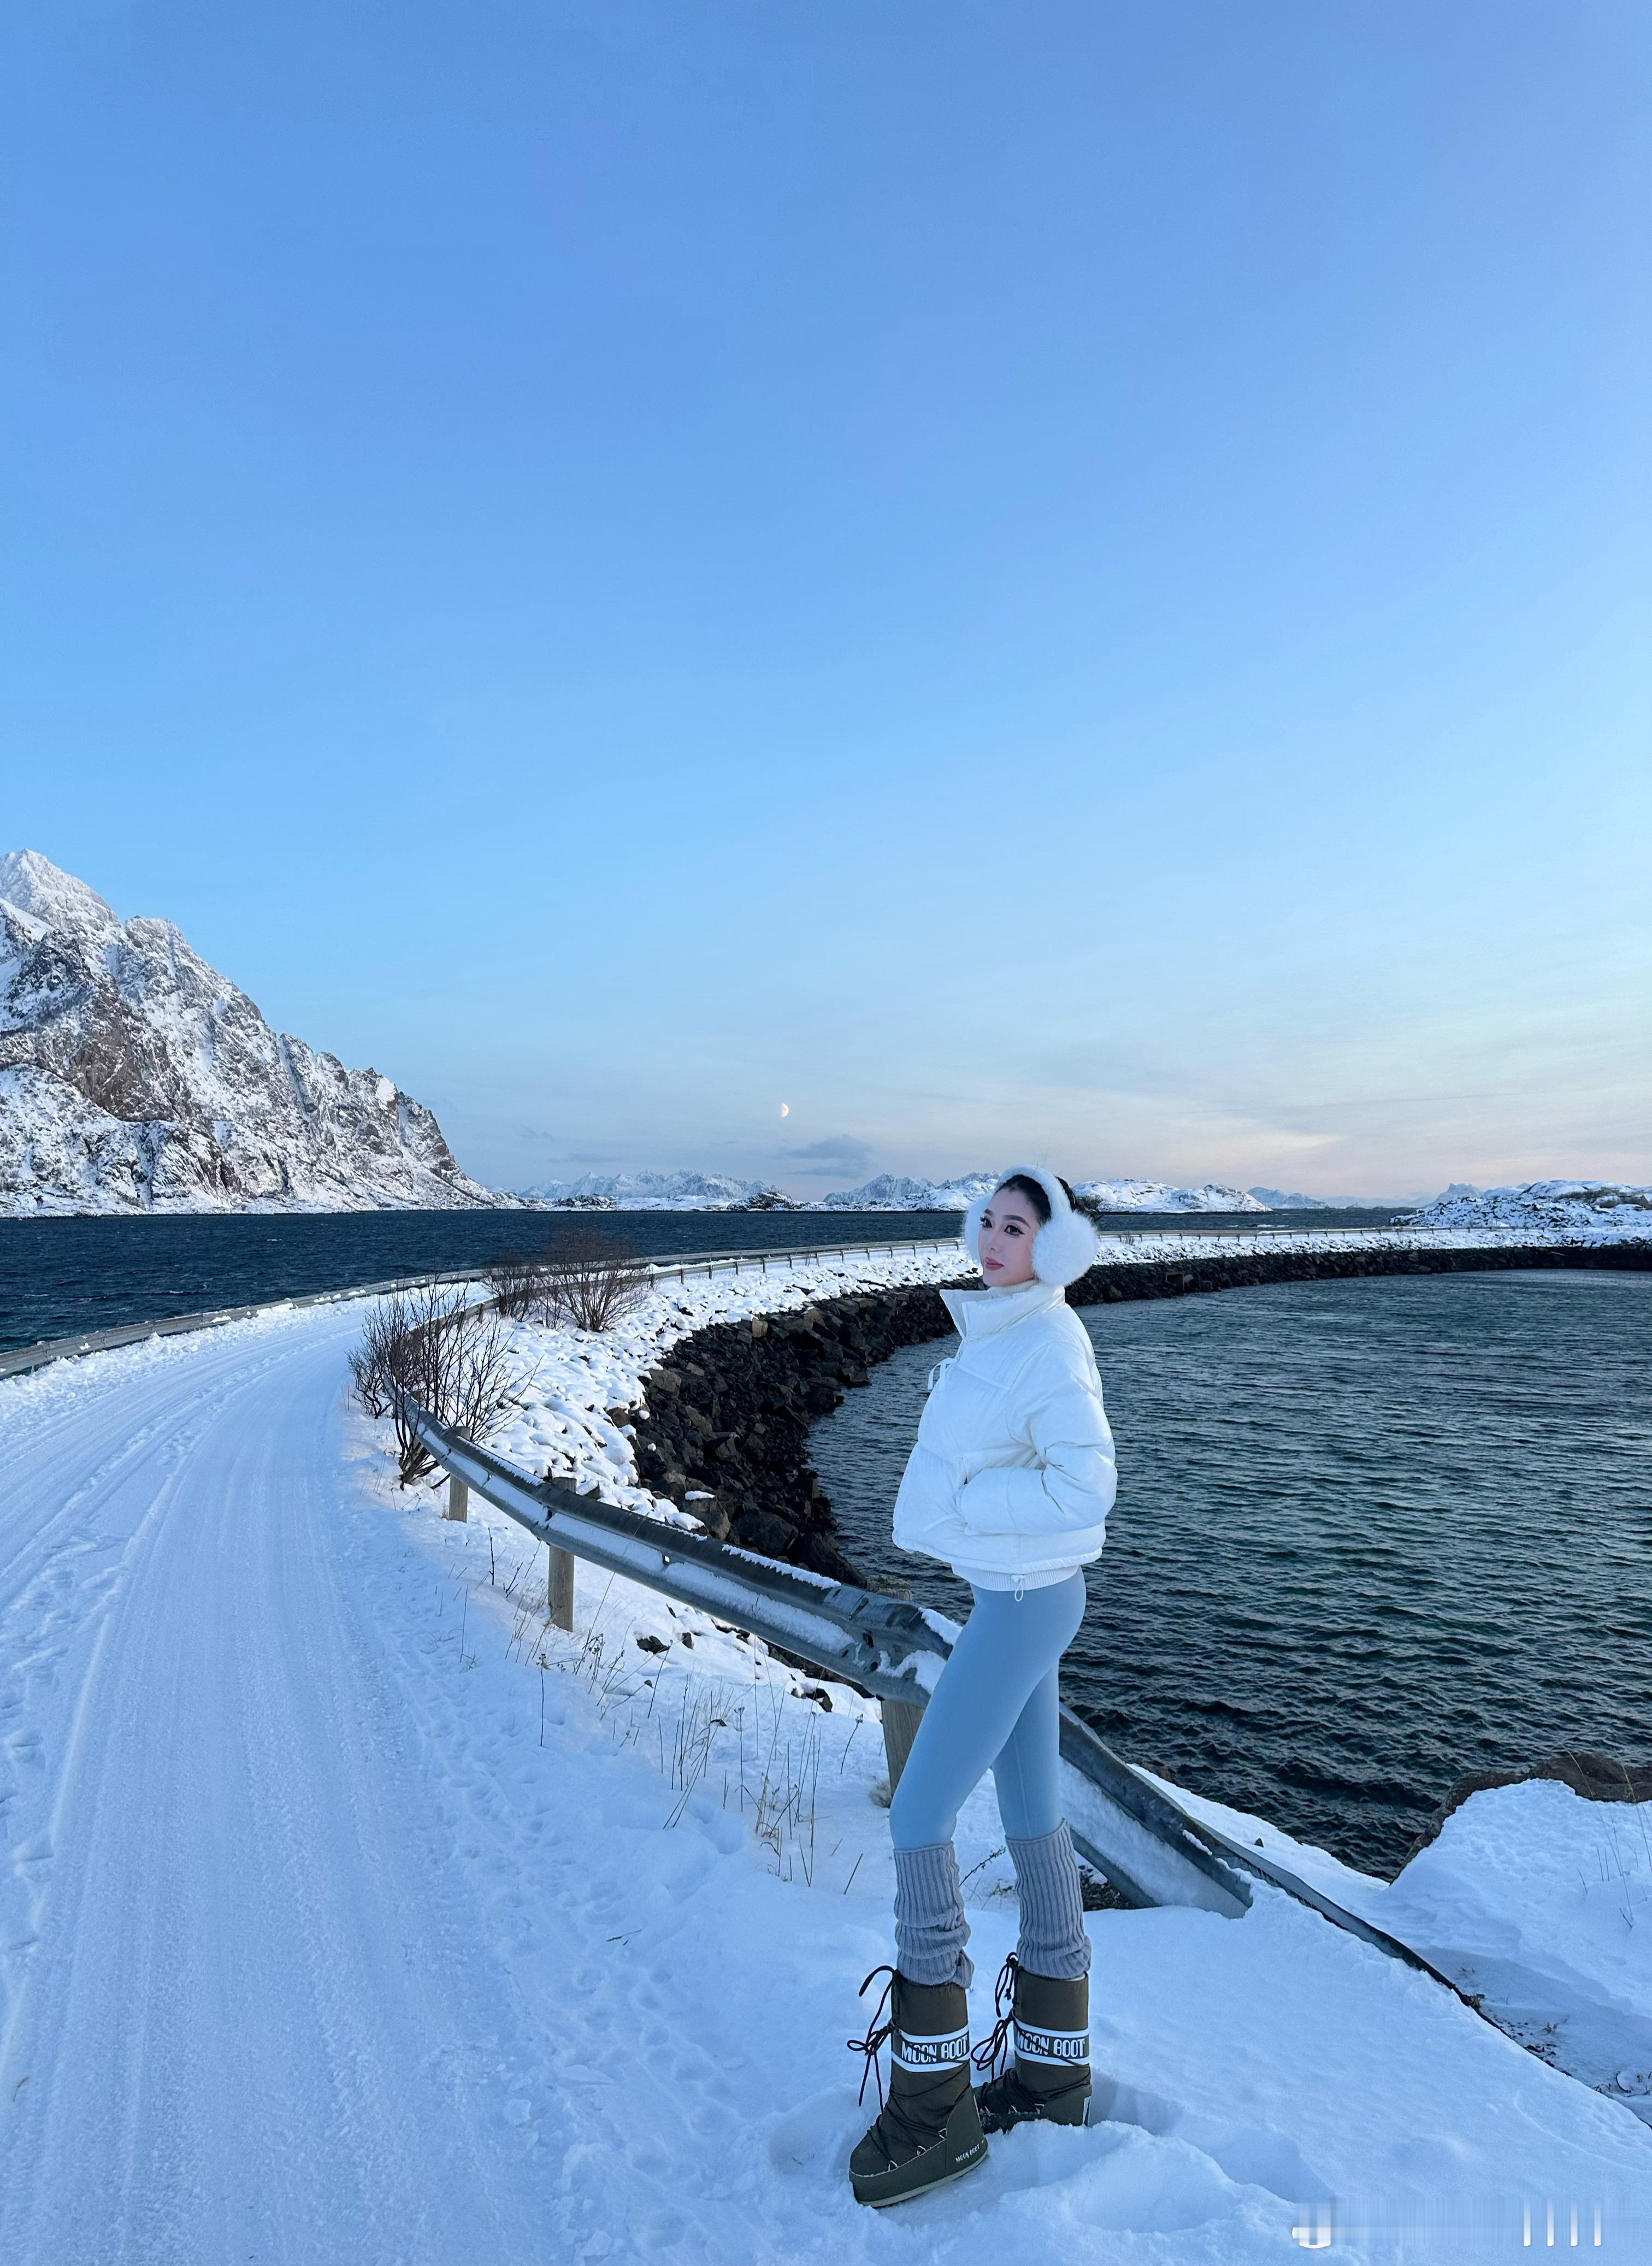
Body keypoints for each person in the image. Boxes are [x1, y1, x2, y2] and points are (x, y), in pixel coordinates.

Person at [847, 1167, 1114, 2208]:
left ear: (1054, 1247)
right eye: (990, 1223)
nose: (997, 1240)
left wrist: (969, 1498)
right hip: (1017, 1595)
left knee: (918, 1816)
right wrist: (971, 1513)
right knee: (1032, 1813)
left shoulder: (1047, 1339)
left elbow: (1087, 1483)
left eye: (1019, 1227)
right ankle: (1053, 2072)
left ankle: (935, 2108)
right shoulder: (1002, 1329)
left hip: (1024, 1604)